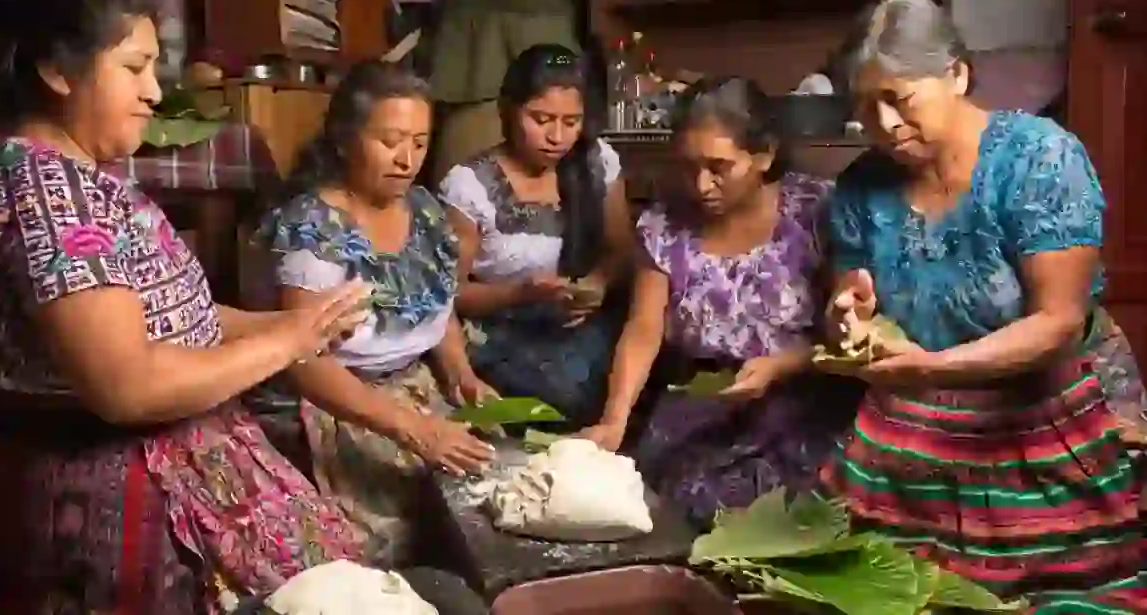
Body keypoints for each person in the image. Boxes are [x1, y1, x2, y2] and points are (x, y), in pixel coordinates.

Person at [0, 0, 487, 614]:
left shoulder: (80, 181)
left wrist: (292, 327)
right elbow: (129, 385)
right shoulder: (49, 197)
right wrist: (288, 340)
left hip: (182, 447)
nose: (154, 93)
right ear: (57, 70)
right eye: (133, 67)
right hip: (121, 481)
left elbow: (173, 314)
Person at [818, 0, 1147, 611]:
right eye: (866, 108)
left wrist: (930, 370)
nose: (885, 124)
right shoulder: (861, 185)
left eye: (901, 99)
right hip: (917, 429)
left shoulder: (1037, 159)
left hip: (1047, 416)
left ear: (957, 75)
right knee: (903, 593)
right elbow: (845, 299)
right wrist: (849, 311)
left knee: (1071, 596)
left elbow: (1058, 320)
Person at [578, 77, 862, 525]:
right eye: (687, 167)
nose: (701, 184)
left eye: (719, 167)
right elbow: (644, 328)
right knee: (666, 500)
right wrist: (614, 418)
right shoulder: (663, 223)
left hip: (805, 391)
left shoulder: (817, 209)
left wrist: (781, 366)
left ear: (764, 155)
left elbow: (848, 332)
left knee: (785, 507)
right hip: (704, 397)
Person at [255, 61, 495, 566]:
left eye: (420, 142)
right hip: (339, 406)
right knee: (380, 554)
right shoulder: (314, 228)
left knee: (471, 518)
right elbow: (305, 360)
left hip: (415, 389)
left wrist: (461, 373)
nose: (406, 159)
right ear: (345, 140)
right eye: (390, 141)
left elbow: (437, 304)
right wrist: (411, 428)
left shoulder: (425, 210)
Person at [438, 44, 632, 427]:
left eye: (571, 122)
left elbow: (622, 249)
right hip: (501, 331)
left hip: (580, 323)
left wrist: (598, 283)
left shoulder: (596, 163)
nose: (557, 136)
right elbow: (447, 294)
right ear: (507, 110)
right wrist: (520, 293)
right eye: (540, 119)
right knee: (562, 391)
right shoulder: (470, 187)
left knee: (634, 369)